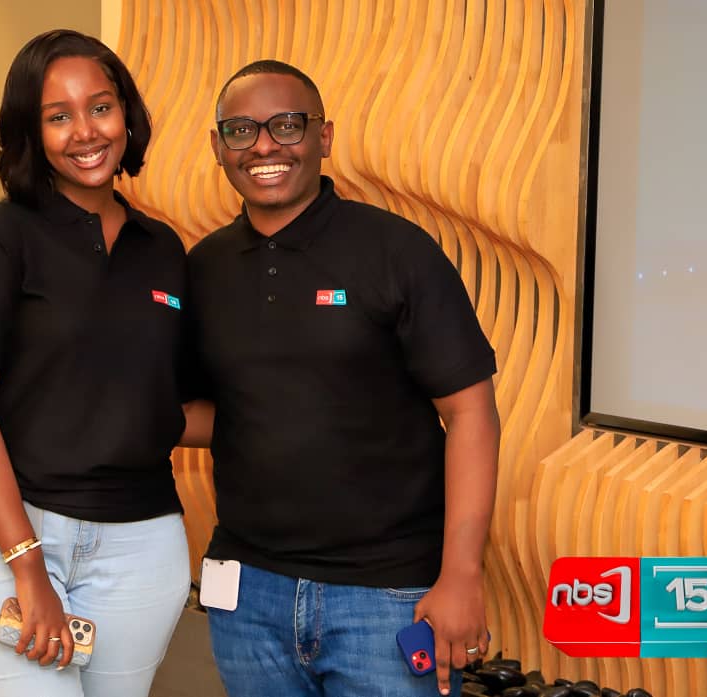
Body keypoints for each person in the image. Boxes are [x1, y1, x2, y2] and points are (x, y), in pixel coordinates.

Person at [185, 60, 501, 697]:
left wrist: (462, 574)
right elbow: (220, 413)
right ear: (219, 147)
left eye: (286, 125)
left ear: (323, 137)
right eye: (242, 130)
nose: (265, 146)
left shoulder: (396, 251)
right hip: (248, 597)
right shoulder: (203, 268)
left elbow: (471, 414)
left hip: (386, 598)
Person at [0, 29, 207, 697]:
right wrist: (27, 566)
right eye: (58, 116)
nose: (85, 131)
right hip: (4, 535)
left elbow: (177, 407)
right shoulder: (2, 236)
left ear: (126, 115)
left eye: (100, 107)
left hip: (139, 545)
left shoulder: (163, 249)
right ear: (32, 133)